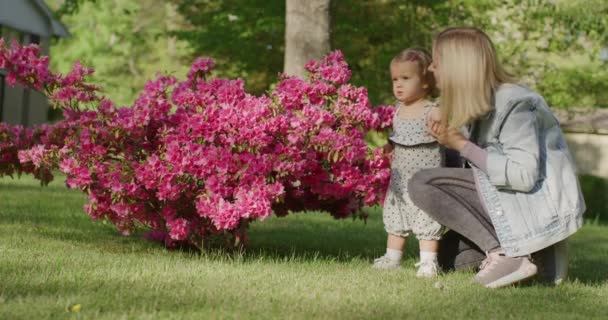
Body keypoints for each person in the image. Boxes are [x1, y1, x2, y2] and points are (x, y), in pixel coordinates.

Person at [408, 27, 585, 288]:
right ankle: (536, 257)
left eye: (437, 62)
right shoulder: (478, 105)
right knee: (447, 257)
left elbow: (523, 176)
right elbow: (471, 172)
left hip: (531, 210)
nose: (431, 69)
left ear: (459, 66)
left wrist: (461, 144)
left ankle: (506, 253)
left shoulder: (515, 103)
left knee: (422, 183)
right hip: (509, 209)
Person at [372, 48, 446, 278]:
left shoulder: (432, 110)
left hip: (425, 180)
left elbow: (446, 136)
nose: (398, 85)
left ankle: (428, 262)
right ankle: (392, 257)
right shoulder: (398, 110)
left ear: (425, 82)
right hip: (400, 180)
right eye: (395, 79)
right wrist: (388, 147)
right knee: (396, 215)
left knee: (426, 217)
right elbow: (398, 136)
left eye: (406, 78)